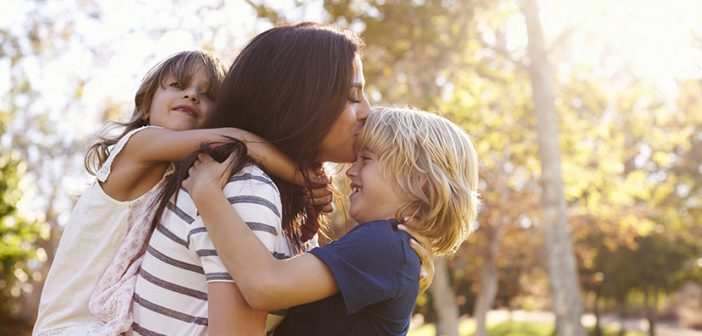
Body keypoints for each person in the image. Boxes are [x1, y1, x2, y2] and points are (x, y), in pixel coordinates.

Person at [33, 50, 328, 336]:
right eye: (178, 85)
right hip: (71, 326)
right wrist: (304, 180)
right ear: (146, 105)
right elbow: (240, 141)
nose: (191, 95)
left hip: (108, 323)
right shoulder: (138, 145)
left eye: (208, 94)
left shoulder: (176, 177)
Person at [184, 106, 480, 335]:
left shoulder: (383, 243)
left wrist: (207, 194)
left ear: (418, 181)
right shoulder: (392, 248)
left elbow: (265, 285)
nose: (350, 171)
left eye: (366, 159)